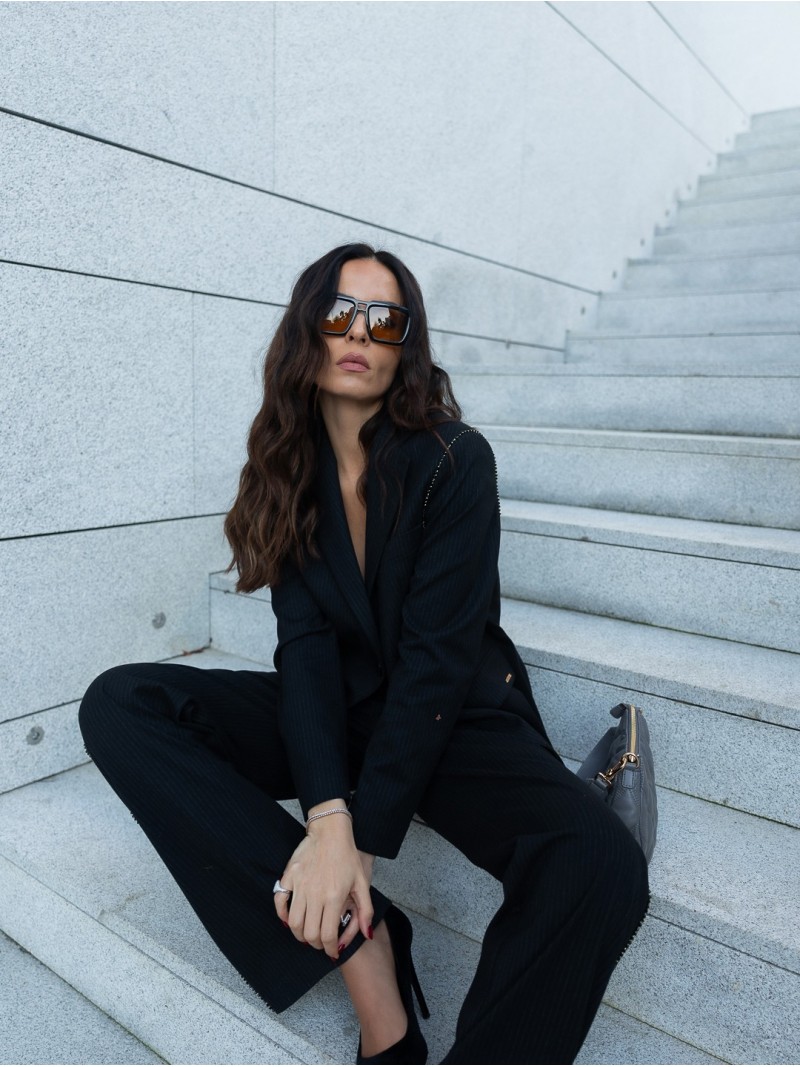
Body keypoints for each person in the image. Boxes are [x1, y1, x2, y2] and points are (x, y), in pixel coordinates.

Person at [79, 243, 649, 1065]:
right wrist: (326, 816)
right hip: (341, 714)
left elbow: (434, 667)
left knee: (600, 863)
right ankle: (364, 948)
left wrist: (358, 840)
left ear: (404, 346)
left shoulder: (453, 459)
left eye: (385, 321)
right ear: (307, 329)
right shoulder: (287, 472)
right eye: (340, 312)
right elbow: (305, 655)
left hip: (449, 717)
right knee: (122, 705)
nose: (359, 332)